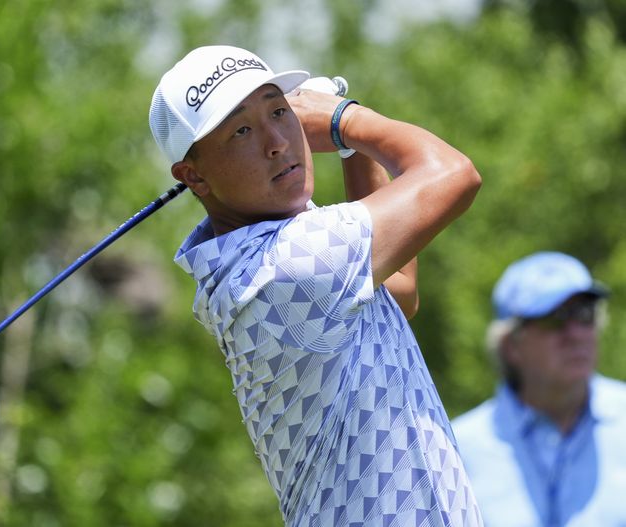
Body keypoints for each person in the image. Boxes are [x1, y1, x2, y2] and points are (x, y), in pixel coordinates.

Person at [149, 45, 483, 526]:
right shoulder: (284, 269)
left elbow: (401, 290)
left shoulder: (275, 253)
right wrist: (346, 119)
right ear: (194, 176)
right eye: (242, 130)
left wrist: (349, 146)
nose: (277, 142)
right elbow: (455, 175)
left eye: (280, 111)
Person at [451, 251, 626, 526]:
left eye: (585, 314)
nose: (575, 334)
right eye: (554, 319)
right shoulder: (456, 451)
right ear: (511, 346)